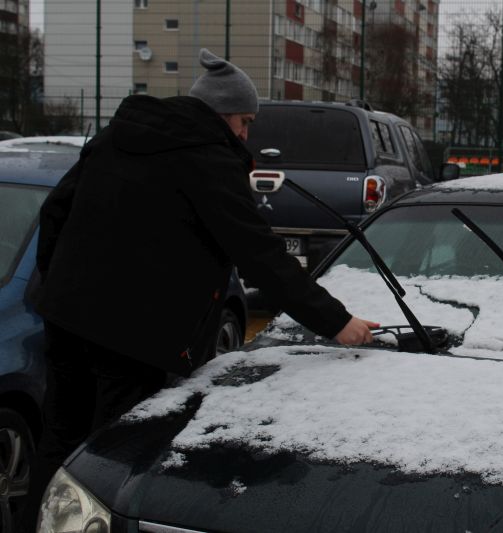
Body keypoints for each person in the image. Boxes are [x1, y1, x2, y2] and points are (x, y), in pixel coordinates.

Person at [24, 48, 378, 529]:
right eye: (245, 122)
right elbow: (259, 252)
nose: (247, 135)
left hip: (66, 318)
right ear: (223, 115)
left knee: (60, 438)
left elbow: (54, 214)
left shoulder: (116, 137)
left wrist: (60, 289)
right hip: (134, 336)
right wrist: (337, 322)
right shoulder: (207, 159)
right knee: (112, 457)